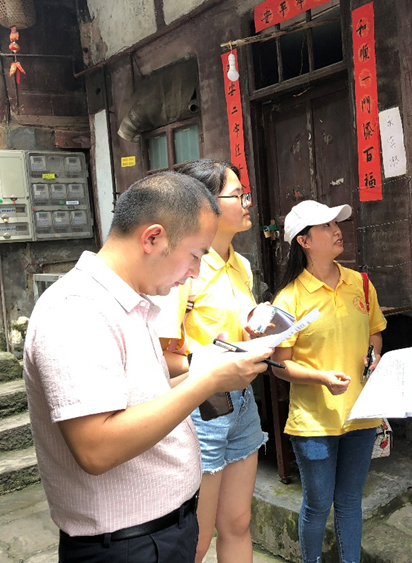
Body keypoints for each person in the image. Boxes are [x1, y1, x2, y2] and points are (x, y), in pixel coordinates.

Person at [22, 171, 273, 563]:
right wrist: (205, 381)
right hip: (126, 545)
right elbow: (97, 448)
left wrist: (206, 371)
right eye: (195, 255)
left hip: (160, 532)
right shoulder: (77, 310)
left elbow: (140, 402)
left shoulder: (127, 302)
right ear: (152, 238)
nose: (194, 273)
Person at [157, 159, 267, 562]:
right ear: (204, 204)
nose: (248, 203)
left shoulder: (242, 265)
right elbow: (159, 359)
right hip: (198, 407)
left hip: (242, 402)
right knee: (197, 540)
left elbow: (236, 336)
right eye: (238, 195)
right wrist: (213, 364)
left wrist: (257, 336)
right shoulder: (181, 271)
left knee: (238, 524)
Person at [270, 200, 387, 563]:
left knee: (350, 501)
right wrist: (321, 378)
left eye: (336, 224)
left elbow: (375, 332)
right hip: (313, 422)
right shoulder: (288, 299)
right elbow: (279, 366)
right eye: (326, 226)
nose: (337, 230)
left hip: (361, 414)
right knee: (318, 504)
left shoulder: (360, 284)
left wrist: (374, 354)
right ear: (303, 241)